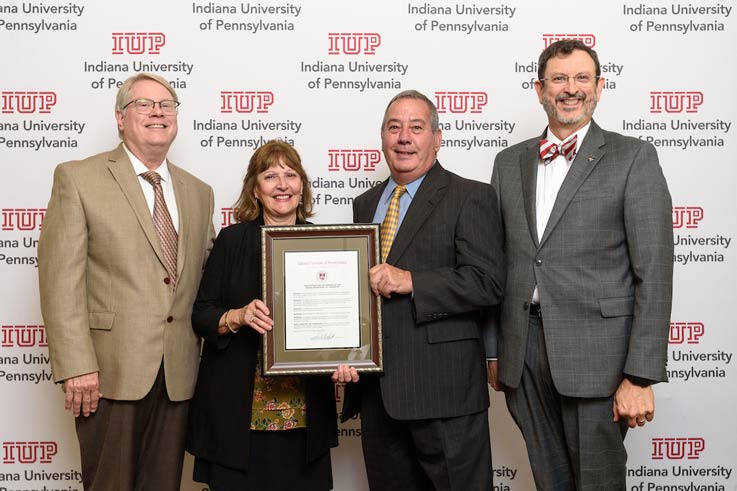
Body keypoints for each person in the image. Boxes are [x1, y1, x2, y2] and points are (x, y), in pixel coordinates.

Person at [487, 39, 674, 490]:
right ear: (539, 89)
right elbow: (494, 264)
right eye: (558, 79)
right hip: (523, 353)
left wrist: (639, 375)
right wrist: (494, 349)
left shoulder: (633, 157)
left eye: (581, 78)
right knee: (550, 481)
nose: (570, 89)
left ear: (599, 87)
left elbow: (655, 270)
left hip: (600, 358)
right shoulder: (508, 162)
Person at [38, 73, 215, 490]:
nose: (157, 112)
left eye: (167, 105)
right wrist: (77, 365)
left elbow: (209, 275)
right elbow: (59, 279)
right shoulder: (78, 178)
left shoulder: (198, 191)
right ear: (120, 118)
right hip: (108, 372)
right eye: (144, 104)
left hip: (178, 373)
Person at [334, 90, 505, 490]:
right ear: (382, 138)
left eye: (416, 127)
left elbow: (488, 282)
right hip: (378, 396)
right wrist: (340, 352)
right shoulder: (365, 204)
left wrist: (411, 281)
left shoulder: (470, 196)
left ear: (437, 138)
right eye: (394, 127)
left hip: (443, 393)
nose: (404, 137)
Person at [186, 140, 341, 491]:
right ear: (255, 189)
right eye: (270, 176)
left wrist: (349, 357)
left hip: (303, 416)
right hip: (238, 416)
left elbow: (343, 325)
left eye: (290, 175)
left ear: (302, 188)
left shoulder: (329, 243)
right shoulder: (231, 240)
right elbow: (201, 314)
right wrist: (237, 316)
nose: (282, 184)